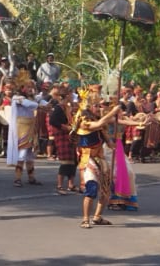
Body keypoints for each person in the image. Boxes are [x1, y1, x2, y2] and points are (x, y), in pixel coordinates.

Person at [74, 85, 122, 228]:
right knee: (92, 188)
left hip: (99, 157)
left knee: (107, 188)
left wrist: (138, 123)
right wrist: (113, 111)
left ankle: (97, 216)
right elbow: (100, 123)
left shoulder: (96, 118)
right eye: (95, 105)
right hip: (88, 157)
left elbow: (106, 127)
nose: (98, 108)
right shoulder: (84, 121)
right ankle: (85, 219)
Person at [7, 70, 45, 188]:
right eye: (28, 87)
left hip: (31, 129)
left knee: (30, 155)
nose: (31, 89)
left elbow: (41, 100)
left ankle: (31, 177)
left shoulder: (33, 98)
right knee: (22, 154)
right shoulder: (16, 98)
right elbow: (29, 104)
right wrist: (41, 105)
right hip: (21, 130)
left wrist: (48, 104)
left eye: (32, 87)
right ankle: (17, 179)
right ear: (22, 87)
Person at [48, 85, 79, 194]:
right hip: (62, 136)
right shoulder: (59, 108)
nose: (72, 96)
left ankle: (71, 184)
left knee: (74, 161)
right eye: (70, 94)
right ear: (66, 95)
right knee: (65, 162)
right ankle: (60, 185)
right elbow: (52, 121)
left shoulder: (69, 107)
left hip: (71, 136)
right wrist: (64, 127)